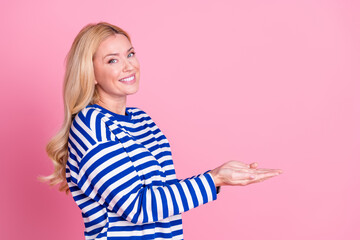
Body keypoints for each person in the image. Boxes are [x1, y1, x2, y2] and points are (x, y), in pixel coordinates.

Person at [44, 22, 282, 240]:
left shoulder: (141, 120)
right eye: (112, 60)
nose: (129, 66)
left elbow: (162, 193)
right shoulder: (91, 126)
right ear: (90, 72)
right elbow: (137, 208)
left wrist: (217, 176)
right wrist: (214, 178)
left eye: (130, 54)